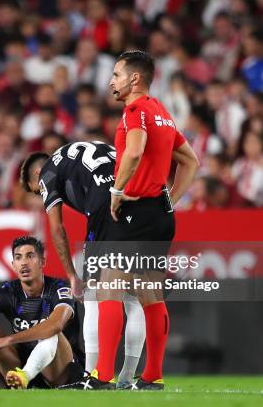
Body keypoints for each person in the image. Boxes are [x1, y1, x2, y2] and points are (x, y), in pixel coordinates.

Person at [88, 50, 198, 391]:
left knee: (109, 286)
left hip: (134, 213)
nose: (111, 81)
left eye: (117, 74)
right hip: (159, 215)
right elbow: (190, 161)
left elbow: (134, 152)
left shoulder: (135, 111)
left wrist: (116, 192)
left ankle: (102, 376)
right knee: (151, 293)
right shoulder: (160, 112)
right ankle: (153, 376)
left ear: (135, 79)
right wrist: (170, 200)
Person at [20, 141, 146, 386]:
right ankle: (127, 377)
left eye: (37, 191)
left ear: (36, 174)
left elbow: (56, 229)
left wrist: (71, 276)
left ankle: (90, 375)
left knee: (91, 296)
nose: (41, 195)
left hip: (105, 207)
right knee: (133, 297)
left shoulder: (47, 171)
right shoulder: (82, 149)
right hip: (140, 198)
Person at [0, 236, 85, 390]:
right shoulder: (8, 292)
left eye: (30, 256)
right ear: (13, 265)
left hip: (59, 370)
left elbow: (55, 325)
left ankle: (25, 375)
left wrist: (6, 341)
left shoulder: (60, 289)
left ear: (42, 262)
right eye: (18, 258)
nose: (24, 262)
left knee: (50, 331)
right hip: (17, 366)